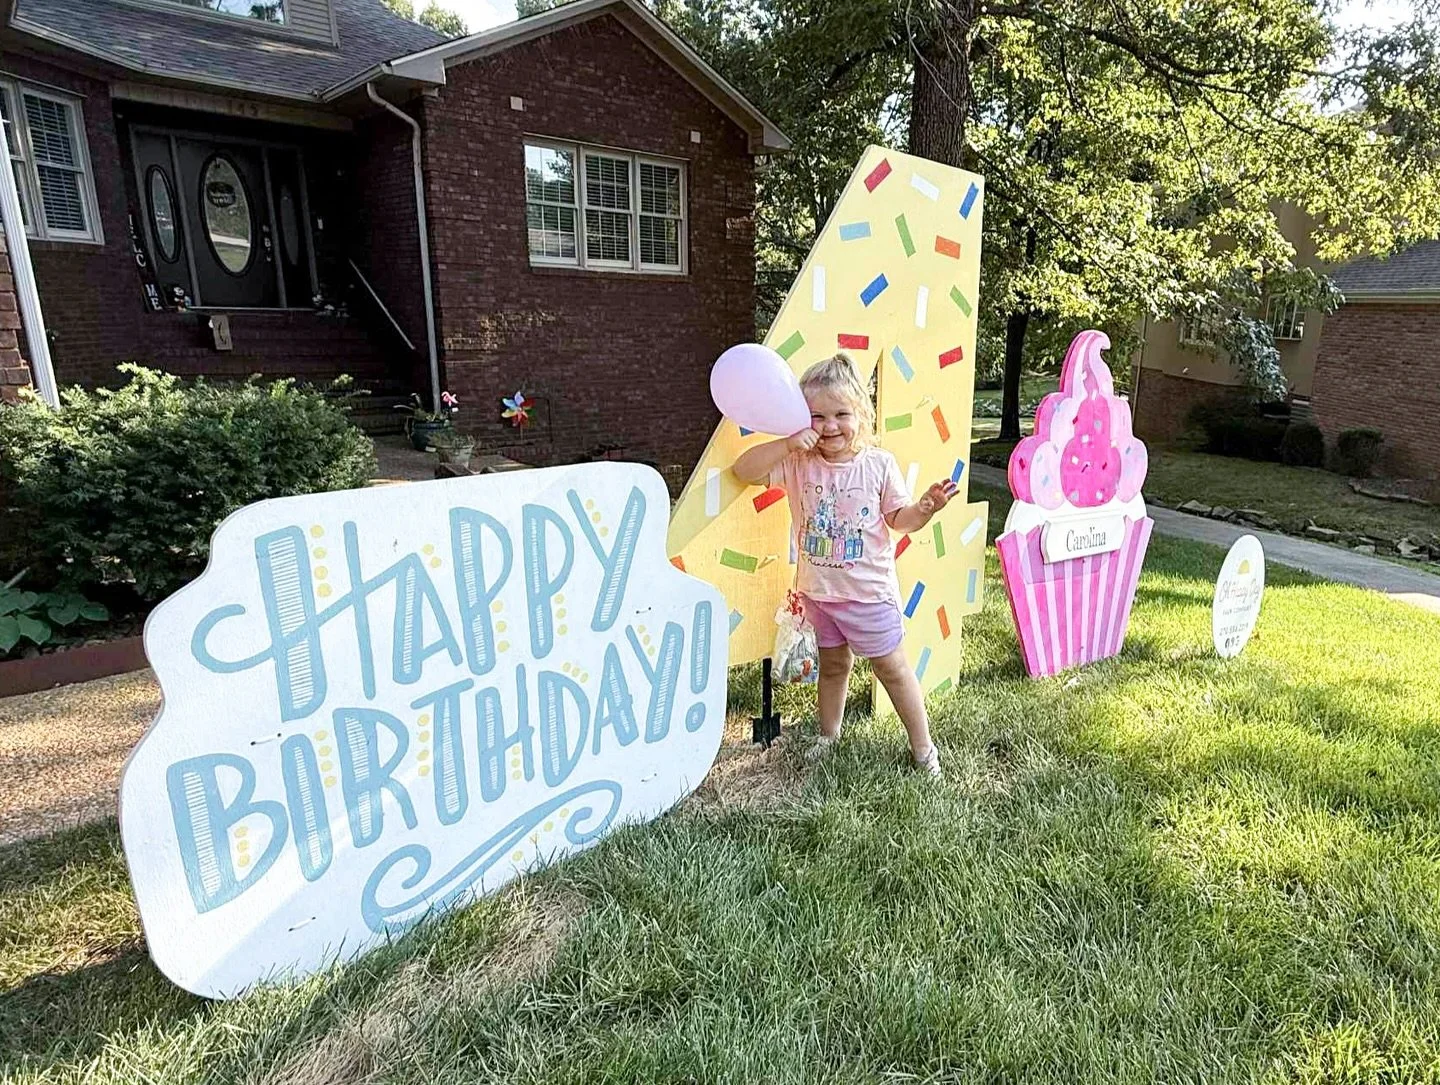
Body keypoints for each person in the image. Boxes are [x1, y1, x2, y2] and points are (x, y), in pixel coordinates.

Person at [731, 352, 956, 777]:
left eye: (840, 413)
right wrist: (784, 443)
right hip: (819, 595)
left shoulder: (877, 464)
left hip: (868, 597)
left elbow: (899, 520)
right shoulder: (797, 462)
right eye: (816, 415)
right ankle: (828, 735)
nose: (829, 425)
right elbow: (744, 471)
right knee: (833, 668)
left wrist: (924, 509)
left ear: (862, 413)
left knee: (892, 669)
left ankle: (924, 749)